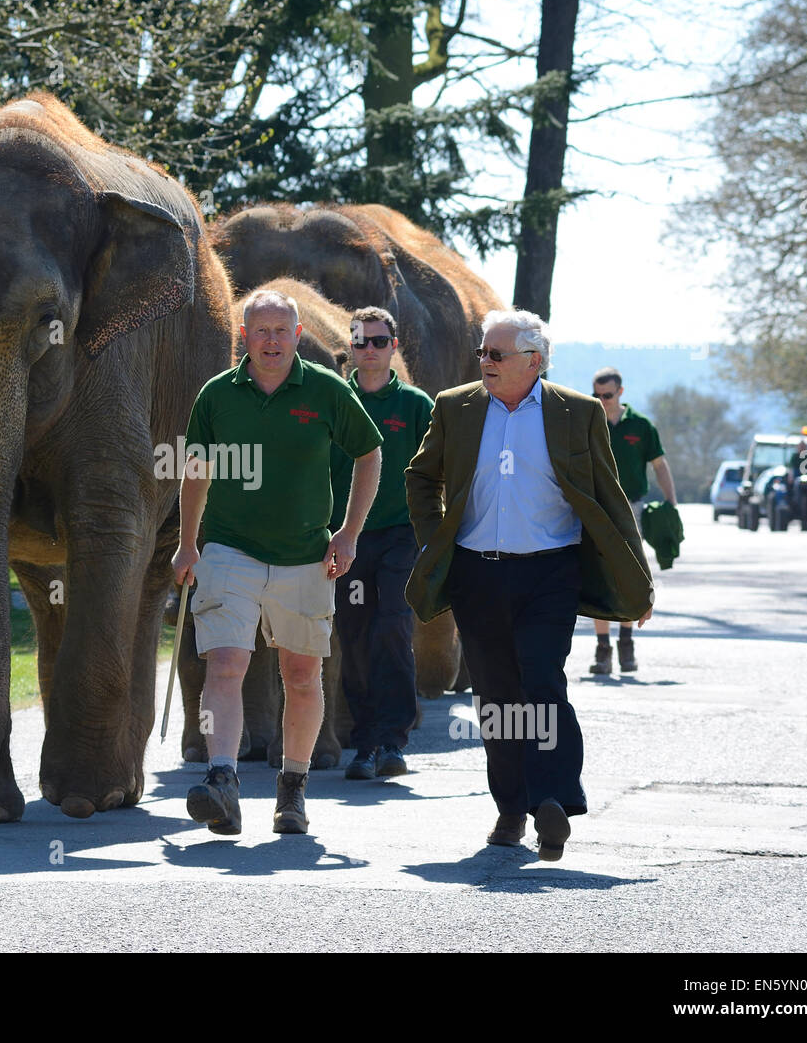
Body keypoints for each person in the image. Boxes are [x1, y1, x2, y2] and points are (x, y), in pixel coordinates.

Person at [404, 310, 652, 861]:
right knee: (495, 694)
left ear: (534, 361)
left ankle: (553, 801)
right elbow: (421, 478)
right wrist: (433, 541)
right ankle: (511, 807)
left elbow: (609, 497)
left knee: (542, 680)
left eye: (497, 354)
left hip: (550, 572)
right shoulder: (455, 407)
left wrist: (638, 580)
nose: (485, 363)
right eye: (482, 354)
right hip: (477, 572)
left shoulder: (577, 413)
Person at [172, 288, 383, 836]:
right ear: (244, 336)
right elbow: (195, 471)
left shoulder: (327, 390)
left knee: (302, 674)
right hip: (227, 549)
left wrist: (349, 534)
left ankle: (292, 789)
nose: (271, 340)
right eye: (260, 330)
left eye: (280, 330)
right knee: (225, 665)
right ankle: (223, 780)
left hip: (305, 556)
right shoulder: (217, 396)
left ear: (297, 336)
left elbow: (369, 453)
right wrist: (188, 543)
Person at [328, 307, 434, 780]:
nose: (369, 349)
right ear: (349, 349)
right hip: (345, 539)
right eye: (360, 341)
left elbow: (437, 473)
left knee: (392, 627)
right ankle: (364, 743)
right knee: (354, 637)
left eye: (378, 340)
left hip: (399, 537)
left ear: (394, 345)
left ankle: (392, 740)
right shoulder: (332, 400)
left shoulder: (415, 405)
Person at [588, 366, 676, 674]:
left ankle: (626, 645)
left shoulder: (641, 425)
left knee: (627, 575)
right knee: (600, 576)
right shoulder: (587, 419)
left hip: (632, 507)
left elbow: (659, 464)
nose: (601, 400)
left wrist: (671, 502)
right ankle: (602, 650)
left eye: (607, 395)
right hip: (597, 508)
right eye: (596, 395)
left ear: (620, 392)